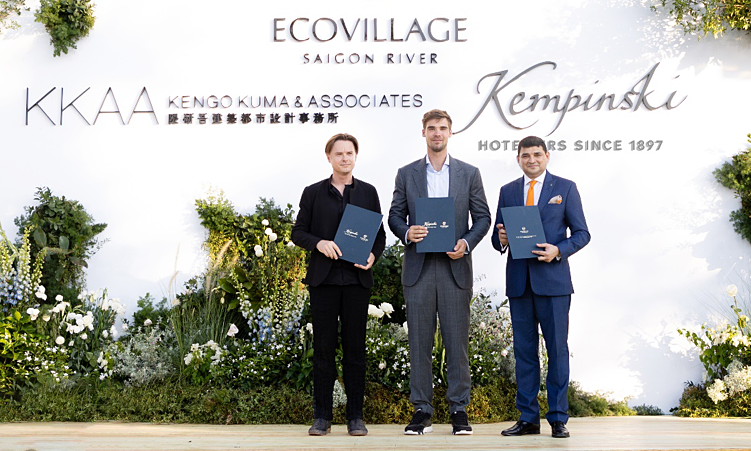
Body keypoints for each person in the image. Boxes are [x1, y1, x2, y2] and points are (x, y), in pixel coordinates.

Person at [388, 109, 491, 435]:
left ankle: (459, 409)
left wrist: (466, 242)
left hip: (454, 267)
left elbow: (483, 218)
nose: (437, 133)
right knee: (419, 342)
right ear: (424, 132)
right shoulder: (406, 174)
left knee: (457, 342)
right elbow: (394, 216)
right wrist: (407, 232)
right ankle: (422, 410)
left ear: (450, 132)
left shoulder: (469, 173)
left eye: (442, 128)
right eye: (431, 128)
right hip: (419, 269)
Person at [491, 136, 590, 439]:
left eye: (537, 154)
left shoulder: (565, 188)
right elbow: (497, 237)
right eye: (526, 155)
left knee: (557, 350)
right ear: (518, 159)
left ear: (547, 156)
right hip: (519, 284)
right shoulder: (508, 191)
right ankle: (528, 418)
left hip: (554, 283)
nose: (531, 160)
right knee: (524, 353)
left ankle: (558, 418)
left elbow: (582, 234)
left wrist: (558, 250)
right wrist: (501, 239)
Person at [291, 133, 386, 437]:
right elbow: (298, 232)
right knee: (323, 351)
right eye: (339, 154)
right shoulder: (313, 193)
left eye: (349, 153)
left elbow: (379, 235)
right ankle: (322, 417)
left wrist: (373, 255)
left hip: (357, 281)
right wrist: (318, 243)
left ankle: (355, 417)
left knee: (355, 351)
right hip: (324, 281)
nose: (345, 158)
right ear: (329, 157)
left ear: (356, 156)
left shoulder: (368, 192)